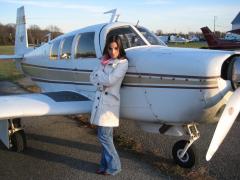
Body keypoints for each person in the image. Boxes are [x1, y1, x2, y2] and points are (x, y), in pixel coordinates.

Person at [90, 35, 128, 176]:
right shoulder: (104, 61)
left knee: (103, 136)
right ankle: (104, 165)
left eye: (116, 48)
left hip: (109, 104)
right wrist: (101, 78)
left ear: (120, 48)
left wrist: (99, 76)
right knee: (106, 136)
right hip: (100, 102)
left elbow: (111, 80)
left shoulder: (122, 63)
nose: (113, 51)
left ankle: (115, 166)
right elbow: (91, 77)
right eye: (110, 48)